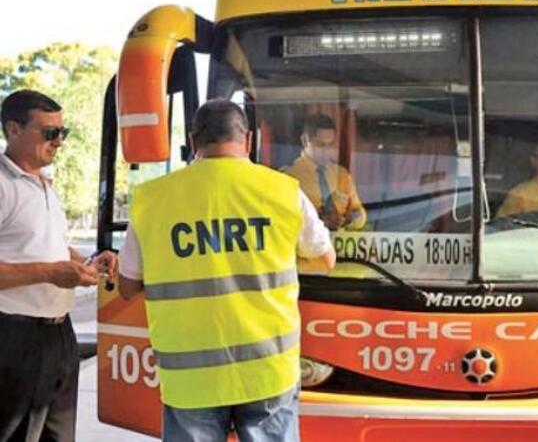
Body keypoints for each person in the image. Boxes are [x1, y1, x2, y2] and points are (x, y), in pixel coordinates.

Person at [118, 99, 335, 442]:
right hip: (267, 371)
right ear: (247, 140)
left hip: (190, 379)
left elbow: (128, 285)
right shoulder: (283, 191)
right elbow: (325, 259)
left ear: (193, 142)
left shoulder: (151, 199)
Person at [0, 89, 117, 442]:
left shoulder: (45, 185)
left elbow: (44, 246)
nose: (59, 142)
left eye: (63, 133)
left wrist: (89, 262)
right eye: (49, 133)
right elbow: (45, 263)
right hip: (14, 337)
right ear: (13, 130)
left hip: (58, 336)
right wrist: (51, 274)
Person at [284, 114, 367, 231]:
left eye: (330, 145)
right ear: (305, 141)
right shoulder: (289, 176)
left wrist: (351, 218)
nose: (326, 151)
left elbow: (360, 212)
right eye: (320, 145)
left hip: (339, 245)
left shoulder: (341, 174)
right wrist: (320, 219)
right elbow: (284, 217)